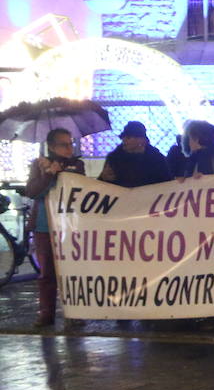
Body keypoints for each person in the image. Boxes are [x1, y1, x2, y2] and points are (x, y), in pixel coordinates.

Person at [22, 129, 86, 327]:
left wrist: (64, 172)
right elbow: (32, 191)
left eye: (70, 144)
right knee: (47, 271)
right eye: (64, 145)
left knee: (72, 270)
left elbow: (81, 188)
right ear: (51, 147)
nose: (69, 148)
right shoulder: (39, 165)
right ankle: (46, 313)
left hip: (69, 225)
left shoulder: (77, 164)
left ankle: (74, 312)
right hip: (45, 226)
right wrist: (49, 174)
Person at [99, 121, 173, 188]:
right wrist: (103, 178)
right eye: (123, 137)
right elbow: (103, 185)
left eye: (128, 138)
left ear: (141, 140)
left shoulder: (156, 158)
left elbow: (166, 182)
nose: (124, 140)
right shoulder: (114, 158)